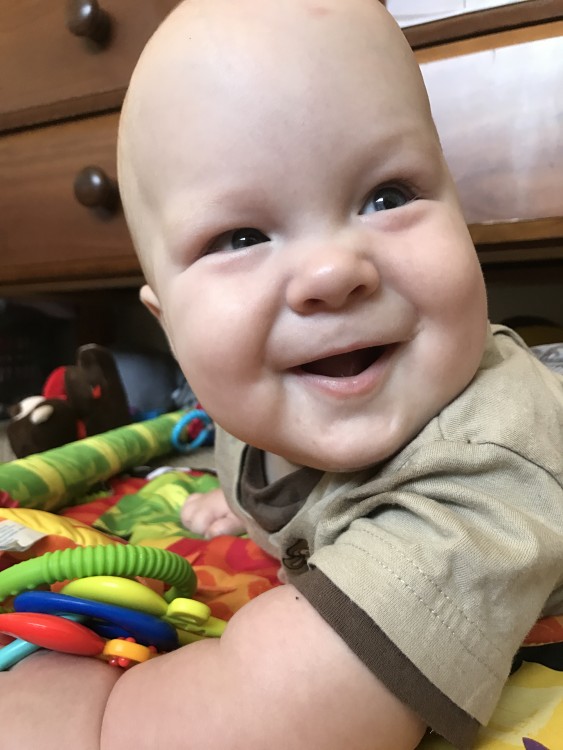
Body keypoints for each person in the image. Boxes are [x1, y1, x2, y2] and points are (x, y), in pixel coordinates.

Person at [1, 1, 562, 748]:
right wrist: (244, 507)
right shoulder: (263, 403)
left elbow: (286, 711)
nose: (332, 271)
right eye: (240, 236)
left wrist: (75, 714)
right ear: (172, 329)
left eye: (386, 196)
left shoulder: (487, 474)